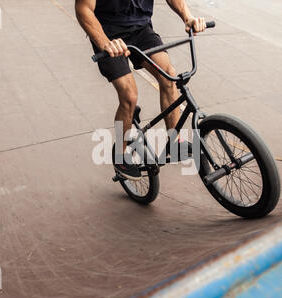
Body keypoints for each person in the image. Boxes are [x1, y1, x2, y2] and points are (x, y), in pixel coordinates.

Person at [75, 0, 207, 180]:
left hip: (140, 30)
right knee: (129, 96)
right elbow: (83, 9)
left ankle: (174, 143)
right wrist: (105, 42)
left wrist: (188, 16)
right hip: (109, 34)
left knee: (169, 76)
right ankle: (120, 156)